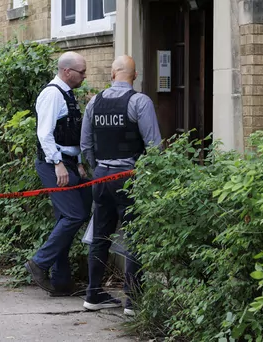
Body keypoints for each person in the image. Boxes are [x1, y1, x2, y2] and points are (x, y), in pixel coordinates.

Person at [80, 55, 162, 315]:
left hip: (101, 178)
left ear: (112, 74)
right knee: (134, 239)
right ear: (134, 75)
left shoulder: (94, 102)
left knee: (100, 236)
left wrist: (98, 168)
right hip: (129, 178)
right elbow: (155, 147)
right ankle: (132, 302)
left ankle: (92, 294)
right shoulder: (140, 102)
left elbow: (86, 144)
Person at [24, 51, 92, 297]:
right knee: (75, 215)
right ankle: (39, 263)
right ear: (67, 72)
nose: (84, 76)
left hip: (70, 162)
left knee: (66, 218)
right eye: (81, 72)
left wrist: (79, 162)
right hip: (56, 164)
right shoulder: (52, 94)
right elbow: (45, 134)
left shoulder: (67, 94)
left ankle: (61, 282)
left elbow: (72, 133)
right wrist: (58, 163)